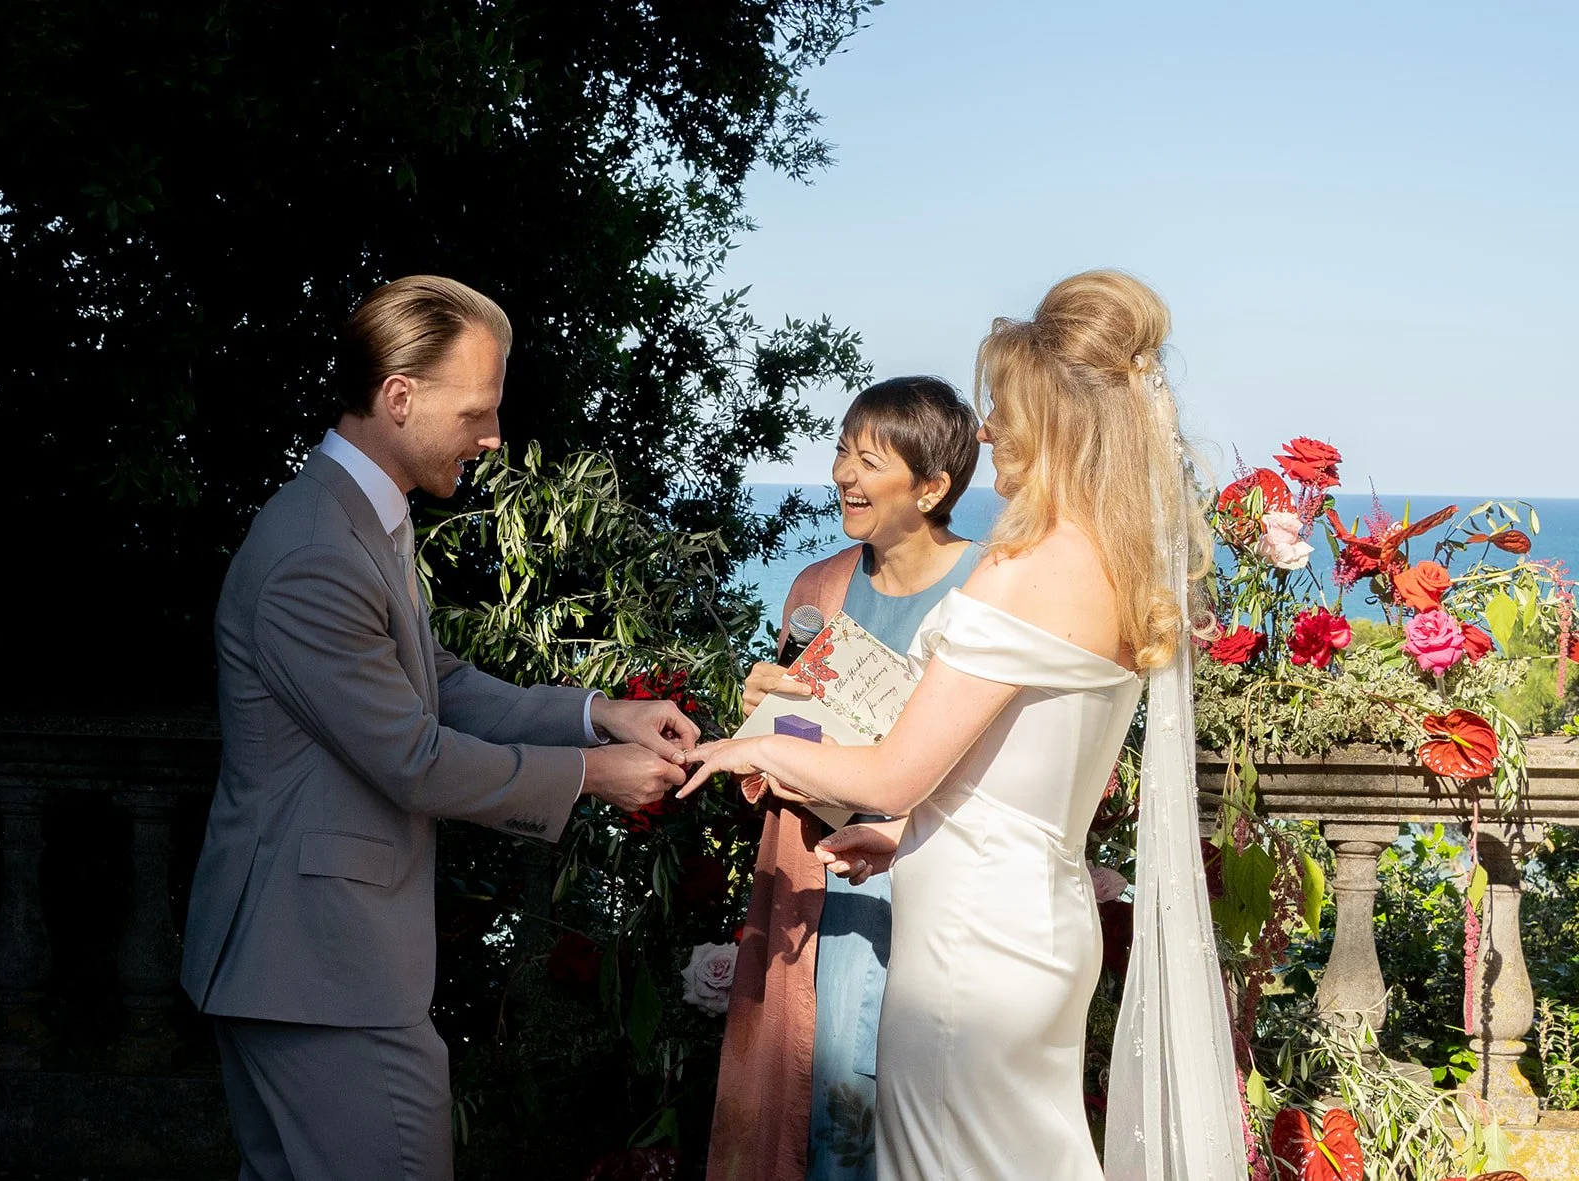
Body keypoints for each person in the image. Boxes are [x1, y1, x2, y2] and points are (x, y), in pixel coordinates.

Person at [684, 272, 1247, 1180]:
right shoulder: (1119, 561)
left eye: (1004, 408)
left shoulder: (1028, 567)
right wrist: (907, 833)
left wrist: (753, 742)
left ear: (1059, 418)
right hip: (1041, 923)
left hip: (970, 950)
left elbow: (896, 769)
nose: (987, 430)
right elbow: (1025, 762)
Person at [179, 275, 698, 1181]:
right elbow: (413, 758)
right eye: (478, 412)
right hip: (321, 969)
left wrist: (596, 713)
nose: (494, 438)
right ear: (399, 397)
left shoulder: (360, 522)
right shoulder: (315, 550)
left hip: (314, 965)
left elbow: (435, 683)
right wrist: (592, 776)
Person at [707, 377, 981, 1181]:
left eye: (869, 460)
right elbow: (786, 755)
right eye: (840, 452)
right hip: (823, 874)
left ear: (933, 487)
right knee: (822, 1097)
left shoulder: (985, 594)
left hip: (932, 878)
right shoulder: (818, 589)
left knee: (911, 1109)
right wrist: (762, 714)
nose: (843, 476)